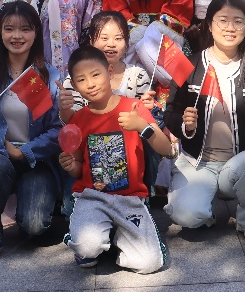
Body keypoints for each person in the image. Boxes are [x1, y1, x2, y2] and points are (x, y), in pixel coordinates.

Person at [165, 0, 245, 245]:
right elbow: (170, 112)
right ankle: (203, 210)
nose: (230, 28)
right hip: (197, 163)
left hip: (237, 165)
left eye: (238, 21)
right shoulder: (189, 65)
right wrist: (185, 125)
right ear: (209, 24)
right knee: (187, 216)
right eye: (222, 20)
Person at [0, 1, 63, 256]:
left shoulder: (48, 75)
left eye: (25, 29)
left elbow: (57, 129)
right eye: (9, 29)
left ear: (36, 33)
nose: (17, 36)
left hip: (36, 161)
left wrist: (25, 151)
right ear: (0, 32)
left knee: (35, 225)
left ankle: (26, 213)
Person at [61, 46, 171, 274]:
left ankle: (116, 238)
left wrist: (142, 127)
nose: (90, 84)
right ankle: (88, 239)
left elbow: (167, 149)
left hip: (130, 198)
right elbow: (79, 168)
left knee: (149, 263)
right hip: (93, 198)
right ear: (75, 85)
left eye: (96, 74)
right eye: (81, 79)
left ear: (109, 72)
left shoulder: (133, 108)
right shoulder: (78, 119)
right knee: (86, 247)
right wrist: (71, 166)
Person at [58, 12, 151, 123]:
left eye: (118, 38)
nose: (111, 44)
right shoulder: (77, 78)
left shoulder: (138, 76)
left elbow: (146, 122)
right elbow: (73, 121)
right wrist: (65, 109)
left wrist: (148, 108)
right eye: (104, 38)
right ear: (91, 40)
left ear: (127, 41)